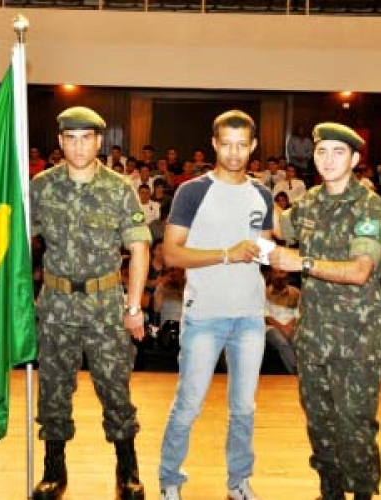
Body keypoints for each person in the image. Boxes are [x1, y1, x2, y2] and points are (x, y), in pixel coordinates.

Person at [29, 107, 151, 500]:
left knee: (115, 388)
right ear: (60, 141)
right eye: (71, 138)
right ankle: (53, 468)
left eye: (87, 138)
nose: (79, 146)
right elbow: (20, 241)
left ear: (99, 142)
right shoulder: (41, 186)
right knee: (53, 390)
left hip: (105, 306)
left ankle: (127, 467)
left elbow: (139, 246)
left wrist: (133, 307)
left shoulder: (119, 188)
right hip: (56, 305)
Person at [270, 122, 381, 500]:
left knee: (353, 425)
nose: (328, 160)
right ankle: (329, 491)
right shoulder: (309, 201)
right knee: (320, 424)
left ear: (355, 159)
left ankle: (361, 494)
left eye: (338, 152)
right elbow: (279, 228)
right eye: (322, 151)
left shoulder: (371, 208)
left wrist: (302, 262)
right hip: (314, 337)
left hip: (357, 338)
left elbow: (360, 272)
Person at [158, 110, 273, 500]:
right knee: (188, 405)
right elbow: (171, 255)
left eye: (242, 145)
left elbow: (267, 249)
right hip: (204, 315)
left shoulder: (263, 194)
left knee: (244, 408)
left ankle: (238, 482)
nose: (235, 152)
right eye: (227, 144)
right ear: (214, 144)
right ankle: (170, 481)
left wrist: (272, 252)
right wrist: (227, 253)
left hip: (250, 317)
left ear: (254, 146)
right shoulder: (192, 191)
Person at [264, 268, 300, 374]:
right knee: (281, 342)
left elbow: (298, 313)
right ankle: (295, 370)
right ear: (271, 275)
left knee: (297, 340)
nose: (279, 276)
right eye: (275, 273)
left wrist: (290, 326)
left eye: (282, 272)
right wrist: (282, 328)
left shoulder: (296, 292)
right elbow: (266, 316)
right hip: (271, 326)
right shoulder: (264, 292)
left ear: (287, 275)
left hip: (291, 325)